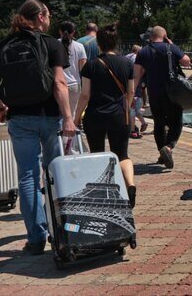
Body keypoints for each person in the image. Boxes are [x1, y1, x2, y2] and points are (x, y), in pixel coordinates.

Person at [0, 0, 74, 255]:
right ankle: (61, 231)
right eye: (48, 15)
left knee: (27, 176)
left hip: (19, 118)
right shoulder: (52, 43)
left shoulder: (5, 44)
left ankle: (35, 238)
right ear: (41, 17)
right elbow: (59, 84)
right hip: (49, 117)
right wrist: (69, 118)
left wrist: (1, 108)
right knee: (54, 173)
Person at [74, 24, 136, 208]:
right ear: (117, 42)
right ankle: (130, 185)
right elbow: (131, 91)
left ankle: (103, 194)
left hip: (95, 115)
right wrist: (126, 106)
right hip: (119, 114)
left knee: (97, 154)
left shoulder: (91, 65)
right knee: (122, 154)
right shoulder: (127, 63)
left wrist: (77, 116)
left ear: (98, 43)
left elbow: (85, 94)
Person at [134, 26, 191, 168]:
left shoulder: (143, 52)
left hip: (154, 92)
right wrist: (172, 45)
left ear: (151, 36)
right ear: (165, 36)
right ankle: (169, 147)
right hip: (172, 93)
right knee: (176, 122)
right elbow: (186, 61)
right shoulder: (171, 48)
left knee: (159, 123)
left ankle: (161, 152)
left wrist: (131, 96)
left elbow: (136, 76)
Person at [58, 21, 87, 118]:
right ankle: (71, 132)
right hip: (74, 84)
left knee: (59, 113)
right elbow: (83, 68)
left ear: (60, 32)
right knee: (72, 113)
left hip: (58, 84)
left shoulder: (54, 44)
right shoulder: (79, 47)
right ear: (73, 32)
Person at [125, 45, 147, 138]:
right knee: (135, 110)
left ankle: (133, 130)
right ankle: (140, 125)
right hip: (137, 86)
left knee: (132, 110)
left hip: (129, 85)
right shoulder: (137, 58)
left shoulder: (127, 57)